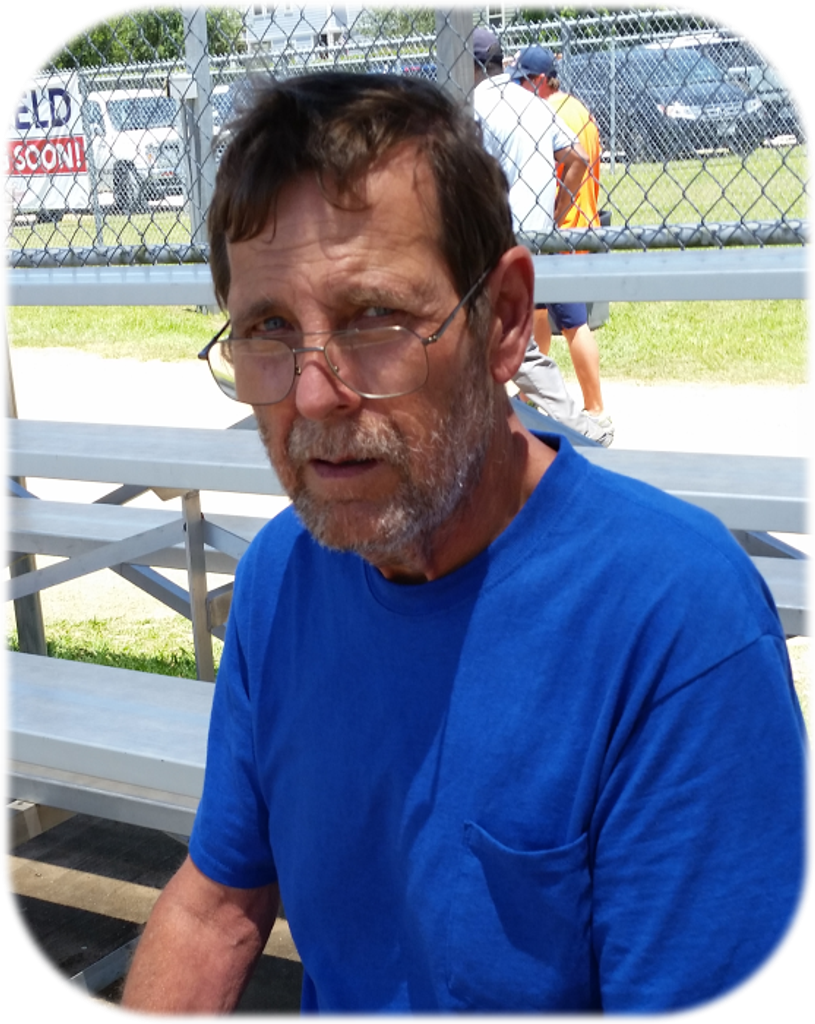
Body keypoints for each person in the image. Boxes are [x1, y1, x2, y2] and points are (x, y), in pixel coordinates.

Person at [120, 72, 810, 1023]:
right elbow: (217, 905)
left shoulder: (672, 619)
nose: (313, 395)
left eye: (373, 318)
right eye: (267, 328)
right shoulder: (283, 576)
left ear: (506, 319)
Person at [472, 28, 614, 447]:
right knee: (516, 333)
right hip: (540, 235)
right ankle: (571, 421)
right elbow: (578, 158)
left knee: (508, 337)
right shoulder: (530, 101)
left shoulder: (474, 104)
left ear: (469, 65)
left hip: (495, 238)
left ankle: (578, 425)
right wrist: (554, 209)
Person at [511, 44, 611, 434]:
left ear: (539, 81)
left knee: (572, 323)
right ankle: (530, 397)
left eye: (523, 81)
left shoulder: (546, 111)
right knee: (540, 313)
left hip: (559, 228)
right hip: (582, 221)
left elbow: (565, 167)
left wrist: (554, 212)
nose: (519, 89)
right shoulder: (579, 108)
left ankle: (595, 408)